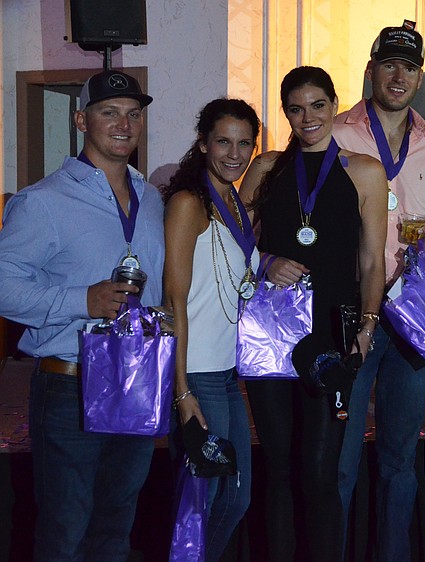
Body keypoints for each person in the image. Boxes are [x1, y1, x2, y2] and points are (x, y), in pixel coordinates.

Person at [0, 70, 163, 560]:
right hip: (70, 383)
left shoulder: (151, 198)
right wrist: (80, 300)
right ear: (81, 120)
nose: (124, 124)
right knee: (65, 528)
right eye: (109, 111)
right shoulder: (42, 201)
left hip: (136, 379)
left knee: (116, 526)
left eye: (133, 114)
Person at [239, 65, 387, 561]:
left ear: (333, 105)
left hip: (331, 332)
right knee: (278, 467)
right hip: (270, 332)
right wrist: (265, 261)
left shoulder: (363, 170)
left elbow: (371, 261)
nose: (308, 118)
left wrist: (367, 325)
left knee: (321, 470)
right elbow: (230, 245)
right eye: (296, 109)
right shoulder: (264, 169)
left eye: (318, 105)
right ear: (285, 113)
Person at [333, 20, 425, 561]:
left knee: (401, 457)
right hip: (352, 311)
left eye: (410, 66)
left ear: (420, 77)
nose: (398, 75)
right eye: (389, 64)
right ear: (371, 70)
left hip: (411, 315)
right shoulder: (335, 134)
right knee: (343, 455)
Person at [161, 98, 261, 561]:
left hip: (227, 372)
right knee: (202, 501)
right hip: (197, 372)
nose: (234, 153)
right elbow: (173, 300)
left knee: (234, 497)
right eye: (223, 141)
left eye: (244, 143)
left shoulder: (235, 204)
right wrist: (182, 391)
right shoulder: (188, 203)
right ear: (203, 144)